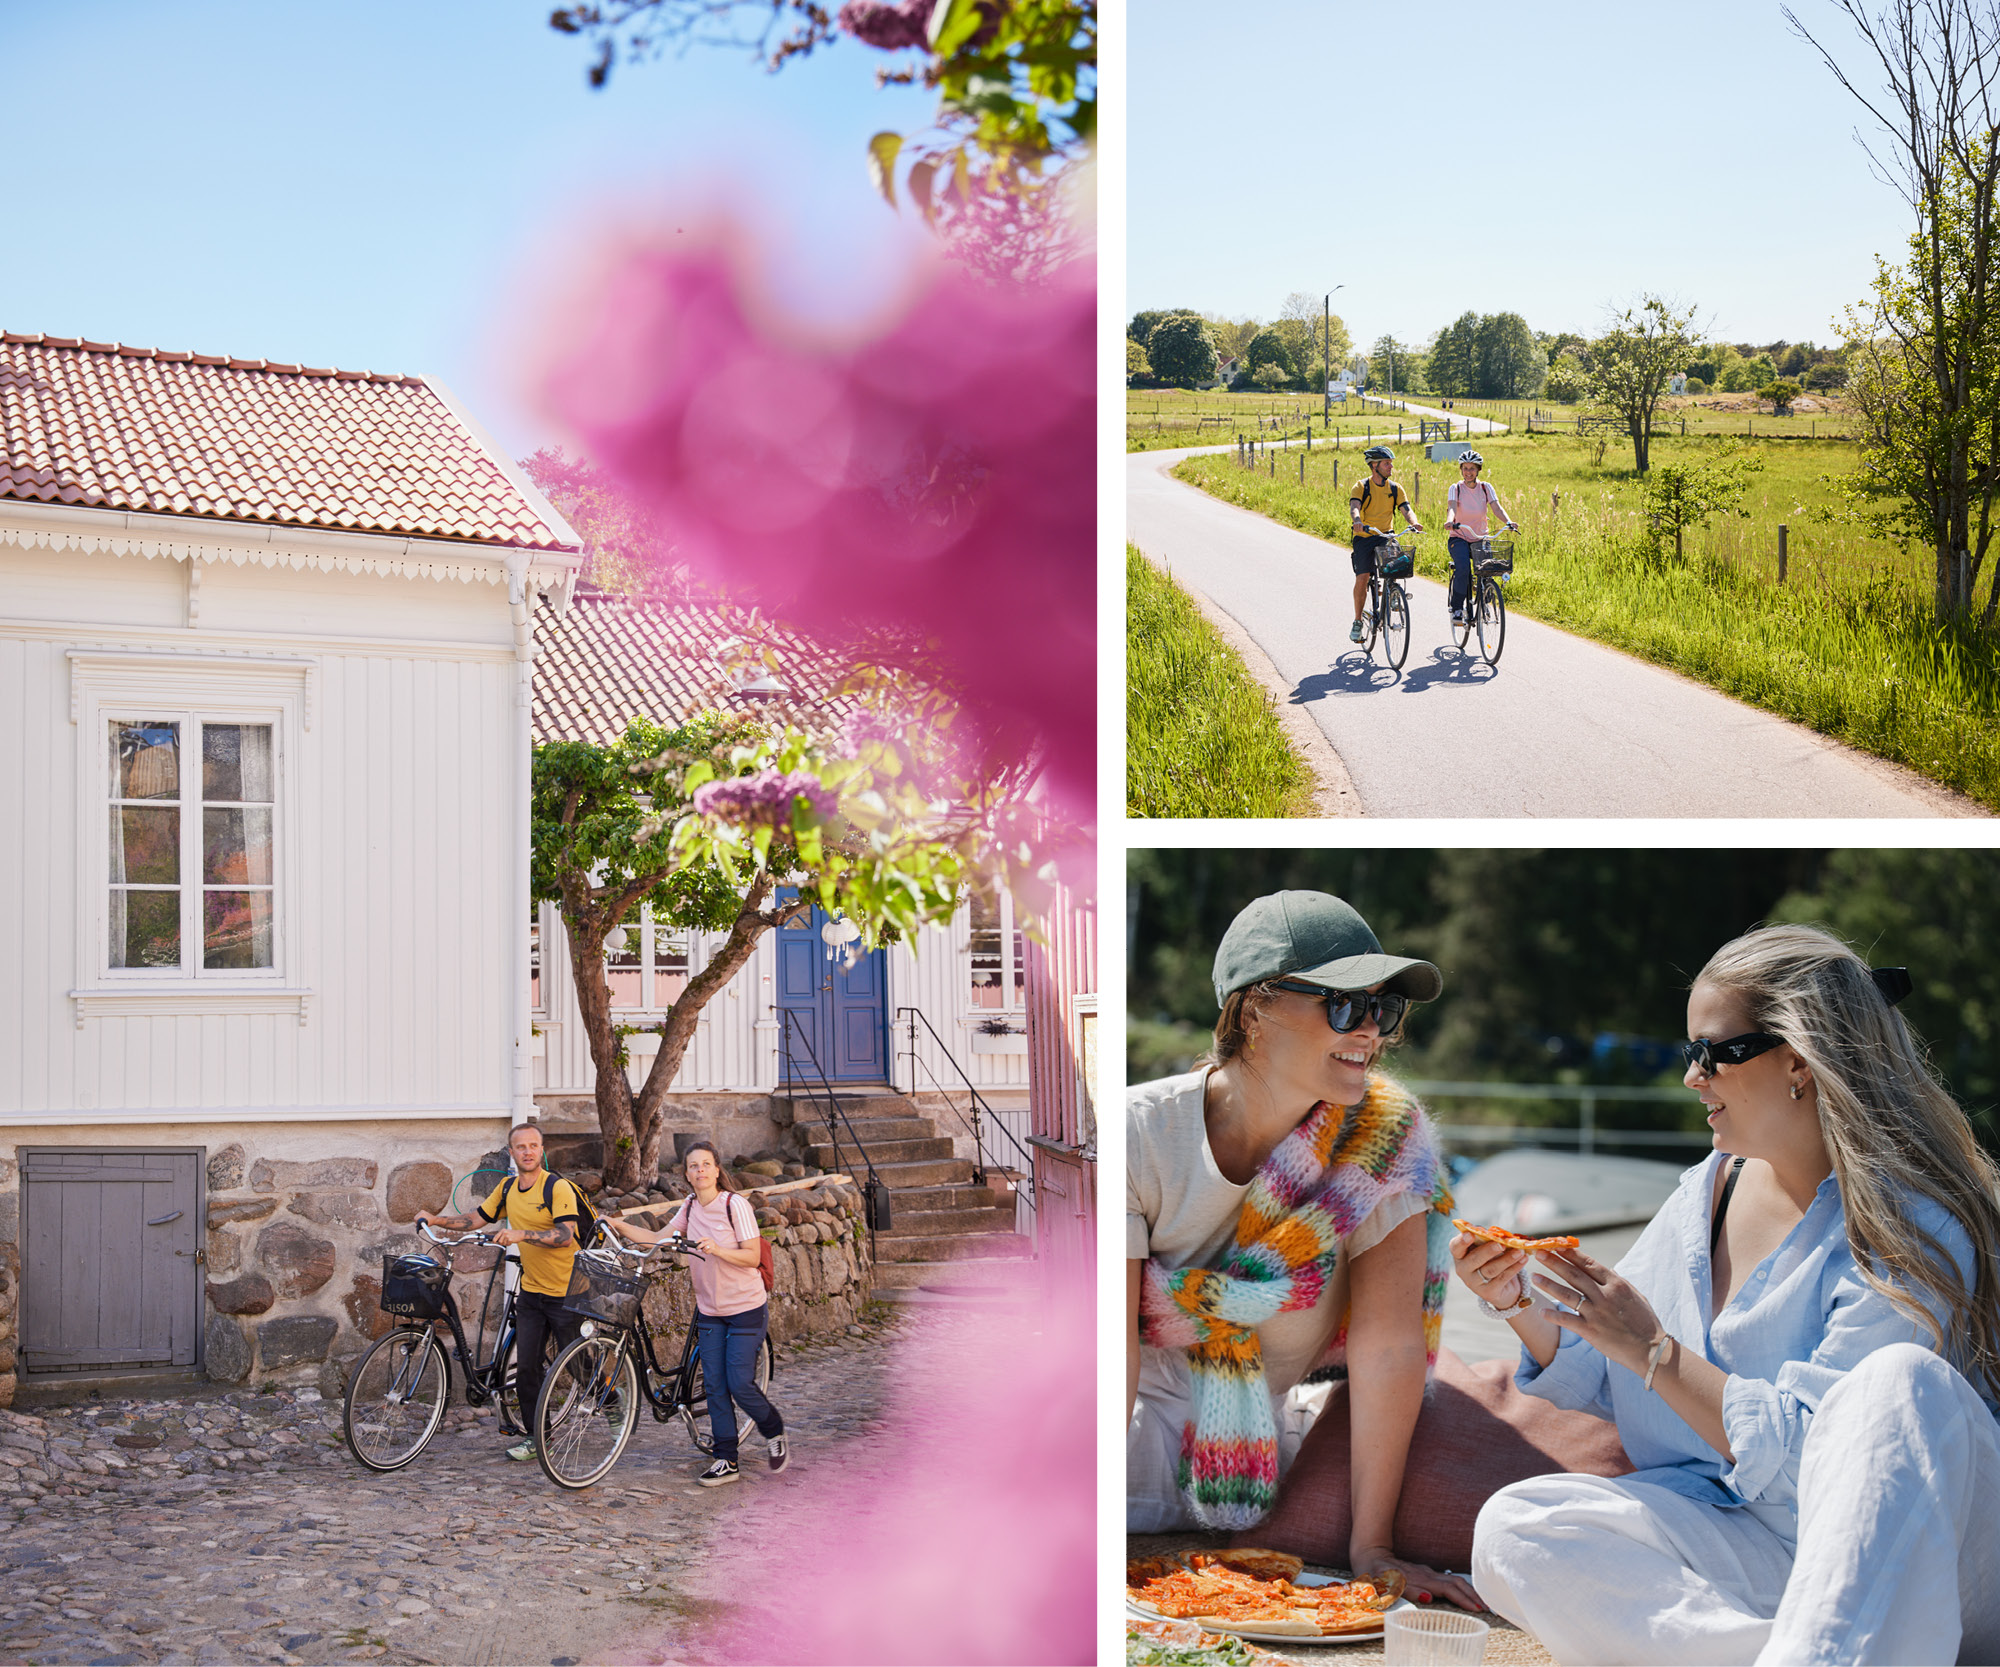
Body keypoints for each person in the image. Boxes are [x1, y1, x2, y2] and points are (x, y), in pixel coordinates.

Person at [1462, 925, 2000, 1665]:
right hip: (1758, 1538)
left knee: (1895, 1383)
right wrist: (1518, 1300)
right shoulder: (1707, 1192)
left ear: (1799, 1061)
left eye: (1714, 1052)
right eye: (1691, 1052)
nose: (1693, 1077)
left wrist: (1655, 1350)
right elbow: (1614, 1371)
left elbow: (1830, 1466)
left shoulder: (1911, 1224)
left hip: (1925, 1550)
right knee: (1516, 1528)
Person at [1127, 889, 1481, 1611]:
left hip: (1274, 1444)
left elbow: (1389, 1345)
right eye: (1345, 1004)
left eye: (1384, 1008)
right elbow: (1106, 1355)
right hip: (1133, 1429)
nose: (1371, 1030)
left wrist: (1372, 1548)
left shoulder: (1386, 1138)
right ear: (1252, 1012)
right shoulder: (1140, 1133)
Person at [604, 1139, 787, 1485]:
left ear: (717, 1170)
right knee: (715, 1385)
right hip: (710, 1310)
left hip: (746, 1308)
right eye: (693, 1166)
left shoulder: (734, 1205)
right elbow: (657, 1239)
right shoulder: (689, 1207)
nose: (700, 1170)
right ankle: (726, 1459)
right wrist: (619, 1226)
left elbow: (751, 1256)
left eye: (706, 1164)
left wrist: (717, 1249)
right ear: (686, 1174)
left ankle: (773, 1428)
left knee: (739, 1383)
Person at [417, 1121, 586, 1462]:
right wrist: (436, 1220)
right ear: (512, 1153)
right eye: (520, 1147)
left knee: (578, 1366)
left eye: (533, 1146)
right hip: (533, 1291)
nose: (527, 1152)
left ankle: (611, 1401)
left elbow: (565, 1235)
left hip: (567, 1290)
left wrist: (521, 1235)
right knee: (526, 1369)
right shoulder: (508, 1188)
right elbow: (477, 1218)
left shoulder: (557, 1188)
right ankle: (538, 1438)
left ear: (542, 1151)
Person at [1346, 445, 1423, 644]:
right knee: (1363, 578)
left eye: (1391, 463)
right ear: (1375, 466)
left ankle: (1393, 592)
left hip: (1385, 535)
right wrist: (1357, 521)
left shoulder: (1395, 488)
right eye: (1387, 463)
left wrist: (1414, 523)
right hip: (1364, 536)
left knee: (1397, 562)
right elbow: (1355, 507)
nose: (1391, 467)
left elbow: (1406, 509)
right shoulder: (1361, 486)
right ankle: (1357, 621)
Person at [1441, 451, 1517, 627]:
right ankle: (1457, 608)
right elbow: (1452, 507)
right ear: (1461, 469)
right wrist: (1450, 521)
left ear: (1478, 470)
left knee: (1487, 570)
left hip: (1480, 537)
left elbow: (1496, 507)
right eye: (1465, 468)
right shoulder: (1455, 488)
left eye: (1472, 469)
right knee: (1463, 568)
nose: (1468, 472)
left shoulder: (1485, 488)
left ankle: (1485, 598)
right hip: (1459, 537)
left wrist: (1508, 522)